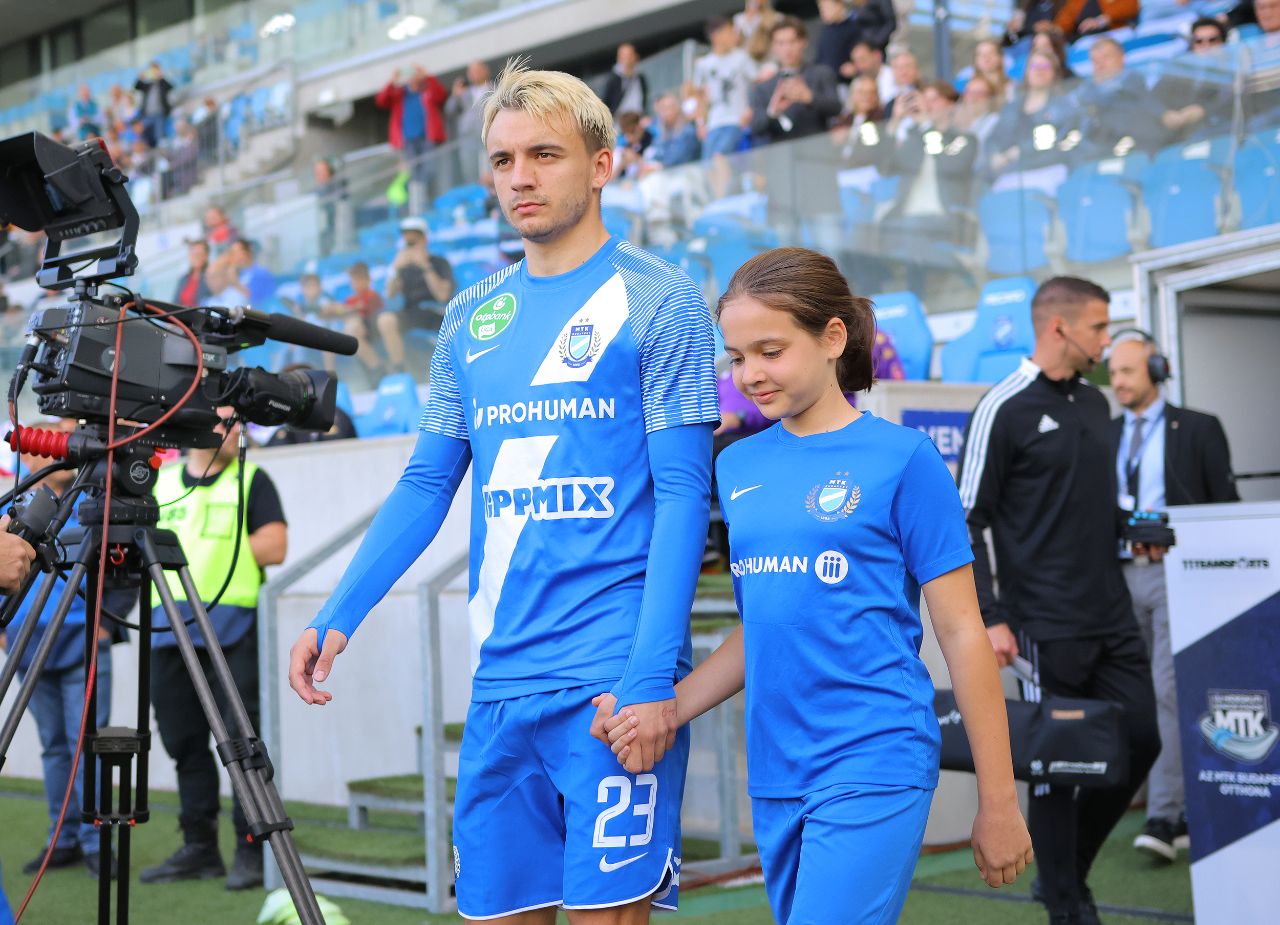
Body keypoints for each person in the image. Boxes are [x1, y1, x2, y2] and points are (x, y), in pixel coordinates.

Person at [287, 61, 719, 921]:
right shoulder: (469, 316)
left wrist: (649, 675)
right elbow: (426, 482)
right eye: (502, 159)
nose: (519, 177)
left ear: (602, 164)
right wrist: (337, 613)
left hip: (610, 677)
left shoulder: (661, 298)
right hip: (501, 678)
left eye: (544, 155)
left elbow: (683, 496)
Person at [599, 247, 1032, 923]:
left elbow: (961, 633)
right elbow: (765, 624)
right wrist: (666, 708)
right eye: (736, 357)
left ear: (833, 337)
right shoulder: (736, 466)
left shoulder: (906, 459)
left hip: (874, 757)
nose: (750, 373)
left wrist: (999, 800)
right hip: (776, 770)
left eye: (770, 351)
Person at [956, 277, 1161, 925]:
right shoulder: (1003, 406)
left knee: (1142, 740)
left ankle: (1063, 873)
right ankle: (1069, 906)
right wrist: (991, 616)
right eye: (1100, 327)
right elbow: (966, 520)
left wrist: (1136, 528)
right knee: (1055, 769)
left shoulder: (1096, 403)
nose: (1108, 340)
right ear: (1059, 328)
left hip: (1111, 614)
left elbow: (1093, 502)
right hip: (1042, 625)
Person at [140, 409, 287, 891]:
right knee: (183, 744)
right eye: (224, 421)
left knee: (244, 745)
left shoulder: (253, 479)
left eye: (238, 422)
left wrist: (209, 549)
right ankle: (199, 848)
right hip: (170, 632)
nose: (234, 429)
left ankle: (252, 848)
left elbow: (275, 547)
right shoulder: (160, 483)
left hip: (233, 629)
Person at [1106, 332, 1239, 863]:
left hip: (1173, 573)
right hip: (1117, 576)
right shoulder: (1105, 432)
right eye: (1113, 372)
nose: (1117, 382)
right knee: (1133, 692)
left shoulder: (1199, 428)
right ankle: (1161, 806)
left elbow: (1224, 505)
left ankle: (1164, 814)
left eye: (1128, 371)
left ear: (1157, 370)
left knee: (1166, 690)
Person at [1, 433, 137, 880]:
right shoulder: (11, 510)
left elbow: (130, 565)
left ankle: (96, 842)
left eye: (58, 446)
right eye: (41, 448)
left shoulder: (97, 504)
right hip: (27, 646)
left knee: (87, 746)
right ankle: (61, 839)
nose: (51, 454)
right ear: (26, 456)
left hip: (82, 642)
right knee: (55, 747)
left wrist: (107, 624)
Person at [377, 218, 455, 372]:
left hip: (436, 312)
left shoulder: (439, 262)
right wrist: (395, 270)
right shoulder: (404, 268)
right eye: (408, 243)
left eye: (413, 242)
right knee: (385, 320)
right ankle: (399, 370)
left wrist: (425, 266)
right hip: (413, 313)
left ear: (424, 239)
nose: (410, 247)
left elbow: (442, 295)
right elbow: (390, 294)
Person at [749, 17, 842, 144]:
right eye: (780, 43)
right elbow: (755, 128)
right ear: (772, 47)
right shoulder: (763, 88)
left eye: (792, 41)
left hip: (818, 147)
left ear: (804, 42)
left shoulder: (821, 73)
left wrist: (809, 97)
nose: (787, 49)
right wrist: (772, 112)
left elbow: (836, 108)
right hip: (781, 151)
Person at [1072, 38, 1165, 156]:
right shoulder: (1086, 89)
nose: (1100, 64)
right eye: (1095, 61)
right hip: (1096, 149)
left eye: (1106, 57)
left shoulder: (1132, 79)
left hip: (1134, 145)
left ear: (1121, 57)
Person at [1153, 18, 1232, 144]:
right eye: (1199, 41)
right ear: (1192, 45)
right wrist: (1164, 114)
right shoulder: (1179, 70)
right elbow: (1153, 97)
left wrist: (1204, 110)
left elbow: (1231, 98)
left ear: (1223, 43)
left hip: (1218, 132)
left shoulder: (1232, 69)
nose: (1206, 46)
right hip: (1175, 137)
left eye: (1212, 40)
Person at [692, 16, 758, 159]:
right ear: (715, 36)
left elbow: (756, 83)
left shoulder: (742, 57)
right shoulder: (704, 64)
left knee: (720, 158)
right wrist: (700, 123)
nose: (734, 36)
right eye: (729, 32)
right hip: (714, 123)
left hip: (737, 120)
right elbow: (699, 96)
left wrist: (750, 108)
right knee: (708, 163)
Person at [376, 66, 449, 194]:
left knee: (429, 170)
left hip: (427, 138)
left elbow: (441, 95)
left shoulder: (427, 90)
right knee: (412, 173)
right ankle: (417, 199)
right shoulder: (400, 93)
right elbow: (381, 101)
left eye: (415, 75)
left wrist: (427, 76)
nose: (413, 78)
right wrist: (392, 82)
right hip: (408, 140)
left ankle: (427, 196)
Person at [645, 93, 701, 168]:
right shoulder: (664, 132)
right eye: (661, 109)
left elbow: (677, 160)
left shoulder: (687, 132)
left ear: (676, 109)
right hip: (668, 172)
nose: (663, 113)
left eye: (666, 108)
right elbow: (656, 152)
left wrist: (658, 166)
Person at [600, 42, 649, 115]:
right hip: (619, 118)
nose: (627, 60)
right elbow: (606, 101)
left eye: (629, 56)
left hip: (638, 117)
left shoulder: (640, 77)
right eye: (624, 56)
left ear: (636, 56)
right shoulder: (613, 79)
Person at [1054, 0, 1139, 40]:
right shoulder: (1076, 2)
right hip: (1084, 40)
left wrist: (1100, 21)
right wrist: (1054, 30)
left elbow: (1131, 7)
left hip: (1115, 35)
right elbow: (1065, 20)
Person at [134, 61, 173, 147]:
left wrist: (161, 78)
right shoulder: (148, 85)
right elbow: (137, 87)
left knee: (159, 135)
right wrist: (141, 78)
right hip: (147, 115)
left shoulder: (162, 84)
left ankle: (160, 149)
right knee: (142, 133)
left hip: (159, 114)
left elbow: (170, 87)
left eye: (155, 70)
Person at [173, 238, 212, 308]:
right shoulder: (183, 279)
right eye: (193, 254)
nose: (196, 257)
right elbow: (174, 303)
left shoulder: (211, 277)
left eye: (199, 254)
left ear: (206, 256)